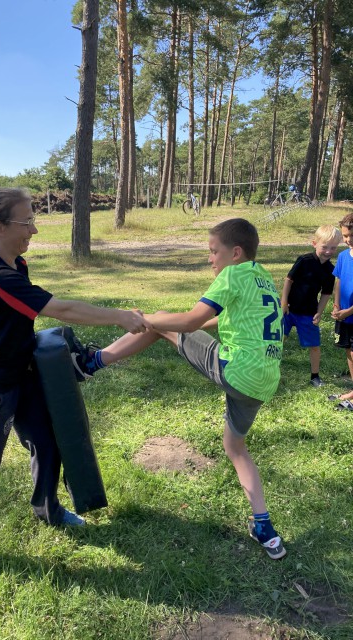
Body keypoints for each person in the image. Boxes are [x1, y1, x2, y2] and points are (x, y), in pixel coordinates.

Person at [0, 181, 149, 579]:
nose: (34, 229)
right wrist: (119, 315)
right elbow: (61, 309)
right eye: (28, 221)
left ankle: (48, 510)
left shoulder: (16, 264)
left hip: (22, 373)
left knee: (48, 442)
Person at [72, 218, 287, 560]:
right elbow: (221, 318)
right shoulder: (263, 278)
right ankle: (264, 528)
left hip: (238, 370)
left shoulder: (231, 275)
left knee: (162, 322)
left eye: (213, 251)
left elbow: (189, 322)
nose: (209, 259)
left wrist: (147, 320)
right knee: (235, 447)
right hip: (264, 381)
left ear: (235, 253)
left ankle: (90, 363)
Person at [280, 225, 341, 387]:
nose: (328, 251)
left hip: (308, 313)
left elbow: (326, 293)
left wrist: (319, 312)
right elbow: (288, 280)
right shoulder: (304, 260)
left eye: (333, 248)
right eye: (324, 247)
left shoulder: (330, 270)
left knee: (314, 345)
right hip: (288, 310)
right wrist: (284, 302)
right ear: (315, 243)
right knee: (278, 340)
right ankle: (269, 368)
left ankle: (315, 376)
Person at [331, 212, 353, 389]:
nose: (348, 240)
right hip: (344, 316)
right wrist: (337, 305)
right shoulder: (343, 257)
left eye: (351, 236)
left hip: (350, 313)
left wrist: (350, 310)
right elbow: (338, 282)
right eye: (345, 236)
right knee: (349, 350)